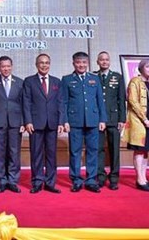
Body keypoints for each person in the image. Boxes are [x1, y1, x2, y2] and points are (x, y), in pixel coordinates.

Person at [61, 51, 107, 193]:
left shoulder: (94, 78)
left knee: (93, 150)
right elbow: (64, 102)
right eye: (78, 62)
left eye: (84, 62)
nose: (81, 65)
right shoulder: (67, 79)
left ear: (88, 63)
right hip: (75, 121)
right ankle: (76, 180)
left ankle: (91, 180)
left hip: (93, 120)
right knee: (75, 151)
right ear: (73, 63)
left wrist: (102, 119)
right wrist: (65, 121)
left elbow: (100, 100)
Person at [23, 53, 65, 194]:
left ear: (50, 64)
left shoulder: (56, 82)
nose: (44, 65)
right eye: (41, 62)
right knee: (36, 154)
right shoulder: (29, 81)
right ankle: (37, 182)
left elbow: (60, 103)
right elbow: (26, 103)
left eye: (47, 62)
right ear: (36, 64)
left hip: (52, 124)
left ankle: (50, 183)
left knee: (52, 155)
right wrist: (28, 121)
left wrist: (61, 122)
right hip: (35, 124)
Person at [0, 55, 24, 193]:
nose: (6, 69)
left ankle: (13, 181)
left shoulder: (20, 82)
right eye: (3, 66)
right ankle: (2, 181)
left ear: (12, 66)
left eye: (8, 66)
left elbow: (24, 104)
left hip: (15, 123)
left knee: (14, 153)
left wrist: (23, 121)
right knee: (0, 152)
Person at [123, 59, 149, 192]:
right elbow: (132, 101)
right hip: (140, 121)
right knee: (139, 150)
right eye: (147, 66)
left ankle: (144, 178)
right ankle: (139, 179)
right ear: (140, 69)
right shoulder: (135, 81)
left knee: (145, 151)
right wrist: (144, 119)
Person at [95, 51, 126, 190]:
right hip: (97, 119)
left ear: (110, 61)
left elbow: (121, 99)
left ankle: (114, 178)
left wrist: (122, 119)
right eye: (102, 60)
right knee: (98, 149)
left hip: (114, 118)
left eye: (107, 60)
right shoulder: (93, 76)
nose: (104, 62)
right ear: (97, 61)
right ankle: (100, 177)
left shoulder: (117, 77)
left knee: (114, 150)